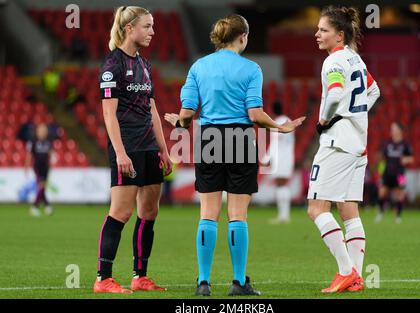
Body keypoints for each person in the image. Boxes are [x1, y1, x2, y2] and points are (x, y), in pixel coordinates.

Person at [164, 14, 305, 296]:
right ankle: (238, 282)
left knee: (208, 214)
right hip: (240, 138)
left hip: (209, 138)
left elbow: (188, 114)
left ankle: (203, 282)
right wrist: (280, 127)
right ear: (243, 37)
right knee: (237, 215)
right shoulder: (251, 69)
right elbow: (255, 114)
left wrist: (178, 123)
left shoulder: (199, 67)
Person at [94, 6, 172, 294]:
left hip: (149, 148)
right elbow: (108, 115)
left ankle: (140, 276)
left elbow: (153, 110)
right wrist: (120, 153)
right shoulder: (112, 65)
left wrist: (164, 150)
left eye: (153, 26)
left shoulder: (145, 65)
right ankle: (103, 278)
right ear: (130, 29)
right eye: (147, 26)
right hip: (126, 148)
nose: (152, 32)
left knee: (149, 212)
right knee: (121, 212)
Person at [307, 6, 380, 293]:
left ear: (339, 35)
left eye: (323, 30)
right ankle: (357, 277)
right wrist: (356, 114)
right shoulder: (356, 59)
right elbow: (374, 92)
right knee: (348, 210)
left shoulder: (334, 61)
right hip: (358, 144)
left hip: (337, 142)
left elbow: (336, 93)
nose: (317, 34)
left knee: (316, 208)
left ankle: (345, 271)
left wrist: (325, 119)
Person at [261, 101, 296, 224]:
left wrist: (266, 159)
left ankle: (283, 216)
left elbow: (275, 144)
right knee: (283, 185)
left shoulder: (277, 123)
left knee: (281, 185)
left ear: (272, 111)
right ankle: (284, 215)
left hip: (280, 158)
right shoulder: (288, 120)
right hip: (288, 157)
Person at [375, 122, 413, 224]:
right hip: (387, 173)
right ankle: (380, 213)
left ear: (400, 131)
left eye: (394, 128)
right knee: (382, 193)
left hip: (400, 174)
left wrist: (406, 159)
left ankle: (398, 217)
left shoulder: (405, 144)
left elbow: (411, 158)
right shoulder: (387, 143)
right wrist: (380, 167)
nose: (392, 130)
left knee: (400, 194)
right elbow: (382, 157)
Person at [25, 123, 54, 217]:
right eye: (41, 131)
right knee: (41, 186)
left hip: (46, 167)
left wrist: (53, 160)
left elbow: (51, 153)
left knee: (42, 188)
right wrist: (26, 166)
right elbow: (29, 155)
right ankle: (35, 206)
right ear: (37, 132)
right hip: (37, 167)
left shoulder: (48, 141)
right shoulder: (33, 142)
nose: (42, 133)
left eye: (44, 131)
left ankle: (47, 205)